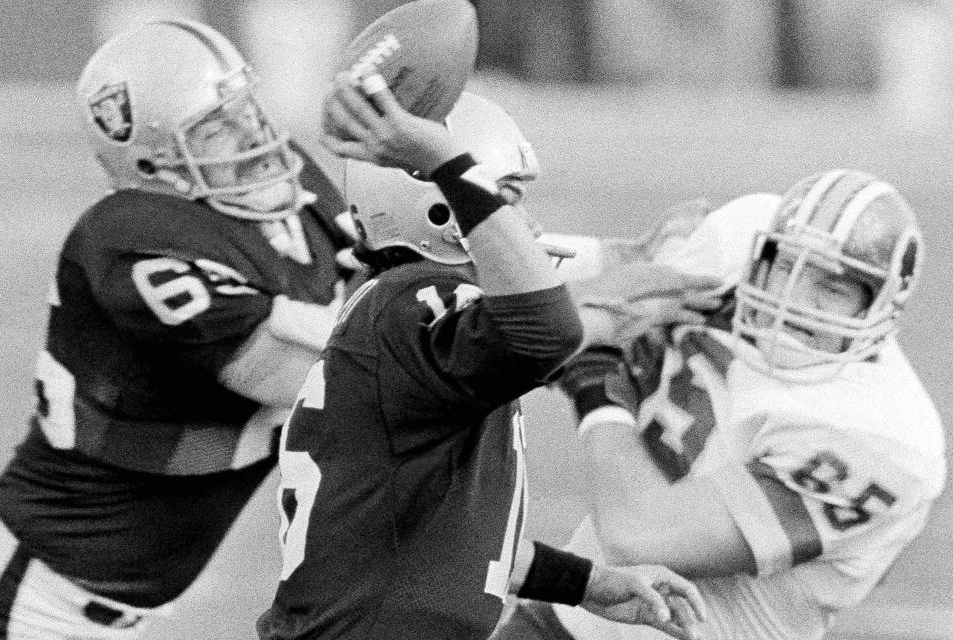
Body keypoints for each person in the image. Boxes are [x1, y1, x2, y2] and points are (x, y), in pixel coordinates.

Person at [257, 74, 707, 640]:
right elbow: (544, 331)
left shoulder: (406, 316)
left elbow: (457, 541)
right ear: (442, 210)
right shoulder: (414, 302)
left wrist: (589, 585)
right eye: (505, 199)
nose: (525, 225)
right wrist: (448, 161)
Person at [0, 19, 354, 640]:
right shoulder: (132, 241)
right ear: (154, 163)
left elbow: (390, 283)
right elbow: (308, 378)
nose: (252, 138)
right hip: (32, 603)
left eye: (245, 111)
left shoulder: (295, 194)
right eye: (215, 129)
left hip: (110, 609)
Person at [490, 170, 947, 640]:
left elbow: (639, 536)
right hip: (563, 620)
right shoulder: (736, 247)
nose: (792, 299)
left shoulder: (883, 439)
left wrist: (597, 388)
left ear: (882, 308)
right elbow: (548, 293)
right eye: (787, 265)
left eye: (832, 288)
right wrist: (626, 272)